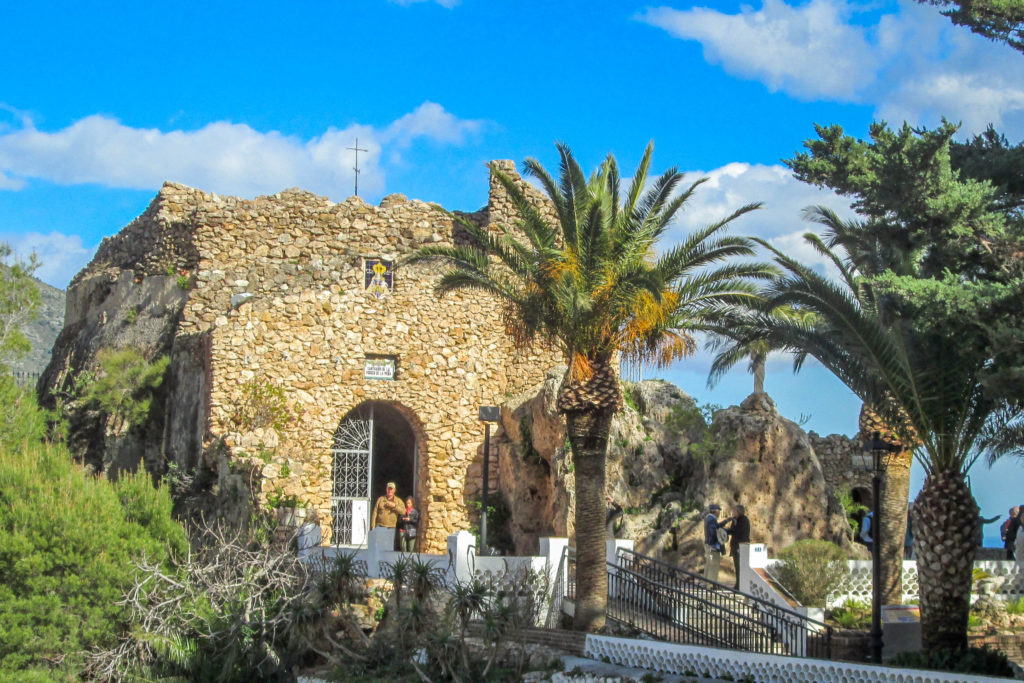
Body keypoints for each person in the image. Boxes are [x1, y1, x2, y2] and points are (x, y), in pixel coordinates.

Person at [723, 504, 750, 590]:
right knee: (737, 566)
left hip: (741, 546)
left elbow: (738, 530)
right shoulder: (735, 520)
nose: (733, 512)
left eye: (734, 511)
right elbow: (732, 530)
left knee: (740, 566)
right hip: (736, 545)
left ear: (739, 511)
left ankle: (741, 585)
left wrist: (728, 530)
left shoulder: (743, 520)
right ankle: (738, 584)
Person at [370, 482, 402, 550]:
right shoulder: (380, 499)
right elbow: (375, 512)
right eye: (388, 489)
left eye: (391, 489)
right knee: (379, 546)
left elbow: (403, 512)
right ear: (386, 489)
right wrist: (373, 526)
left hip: (391, 528)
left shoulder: (398, 501)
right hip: (380, 526)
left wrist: (394, 506)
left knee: (389, 547)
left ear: (394, 490)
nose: (390, 491)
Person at [703, 503, 727, 583]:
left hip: (708, 544)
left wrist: (724, 522)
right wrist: (718, 542)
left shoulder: (708, 518)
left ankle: (706, 583)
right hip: (712, 545)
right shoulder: (712, 519)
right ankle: (711, 584)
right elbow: (713, 532)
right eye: (718, 511)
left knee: (708, 565)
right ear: (715, 511)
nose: (719, 513)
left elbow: (715, 527)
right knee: (713, 565)